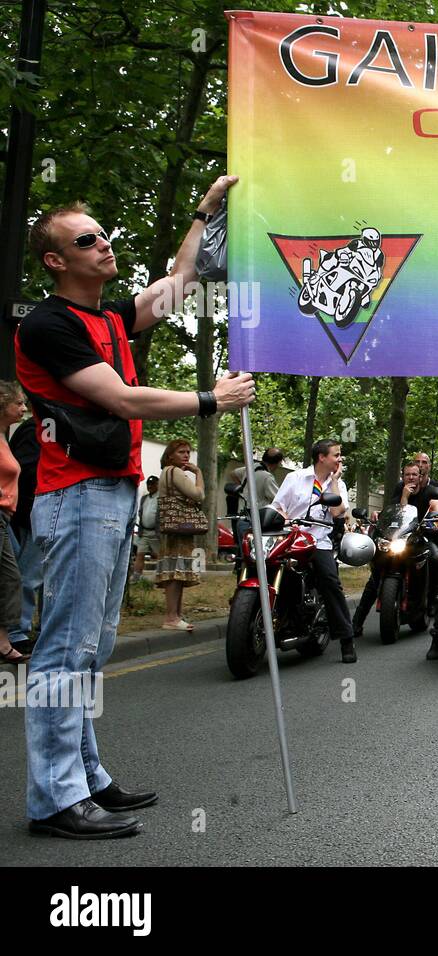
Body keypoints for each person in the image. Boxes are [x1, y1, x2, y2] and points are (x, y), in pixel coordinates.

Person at [17, 175, 255, 839]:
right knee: (65, 649)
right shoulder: (47, 325)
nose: (105, 244)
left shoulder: (109, 317)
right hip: (75, 494)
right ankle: (54, 798)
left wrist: (205, 212)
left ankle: (86, 778)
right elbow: (120, 398)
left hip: (109, 495)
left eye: (104, 234)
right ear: (56, 261)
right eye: (86, 239)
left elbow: (177, 282)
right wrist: (211, 400)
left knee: (91, 647)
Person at [271, 439, 353, 660]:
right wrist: (286, 520)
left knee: (331, 581)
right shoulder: (295, 478)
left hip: (318, 541)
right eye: (336, 455)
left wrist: (335, 481)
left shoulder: (339, 485)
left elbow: (337, 513)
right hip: (291, 538)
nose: (339, 459)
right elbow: (277, 506)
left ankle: (347, 639)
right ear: (322, 457)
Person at [353, 460, 438, 647]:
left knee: (436, 559)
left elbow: (437, 512)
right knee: (376, 574)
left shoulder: (431, 490)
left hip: (422, 538)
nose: (411, 478)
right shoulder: (400, 489)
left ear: (421, 476)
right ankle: (356, 622)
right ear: (403, 476)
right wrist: (404, 496)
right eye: (407, 474)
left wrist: (435, 519)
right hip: (399, 540)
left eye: (414, 474)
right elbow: (395, 514)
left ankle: (433, 604)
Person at [155, 440, 205, 630]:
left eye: (188, 452)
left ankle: (176, 615)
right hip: (178, 528)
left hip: (171, 527)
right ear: (170, 455)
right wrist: (198, 473)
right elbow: (198, 495)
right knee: (176, 572)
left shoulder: (166, 472)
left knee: (175, 571)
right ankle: (172, 617)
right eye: (181, 452)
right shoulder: (175, 472)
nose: (186, 455)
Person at [0, 382, 30, 664]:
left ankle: (3, 642)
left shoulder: (5, 436)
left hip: (6, 517)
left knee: (11, 578)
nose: (23, 408)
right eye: (18, 403)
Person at [230, 447, 283, 514]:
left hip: (242, 512)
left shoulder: (252, 467)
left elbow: (233, 474)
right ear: (278, 463)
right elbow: (278, 500)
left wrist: (242, 488)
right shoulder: (267, 477)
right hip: (257, 517)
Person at [130, 475, 160, 583]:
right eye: (148, 484)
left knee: (158, 555)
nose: (150, 486)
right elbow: (141, 512)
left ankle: (161, 576)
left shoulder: (161, 498)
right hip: (144, 532)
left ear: (158, 485)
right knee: (140, 553)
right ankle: (136, 576)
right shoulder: (144, 498)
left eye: (153, 484)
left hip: (156, 532)